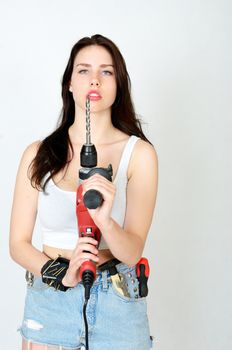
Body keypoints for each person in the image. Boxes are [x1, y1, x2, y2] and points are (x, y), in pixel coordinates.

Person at [9, 34, 158, 350]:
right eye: (83, 70)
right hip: (50, 299)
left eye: (106, 71)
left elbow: (132, 251)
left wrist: (104, 221)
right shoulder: (38, 154)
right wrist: (61, 275)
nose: (95, 80)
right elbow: (17, 244)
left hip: (117, 300)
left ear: (118, 86)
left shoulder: (139, 154)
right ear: (69, 84)